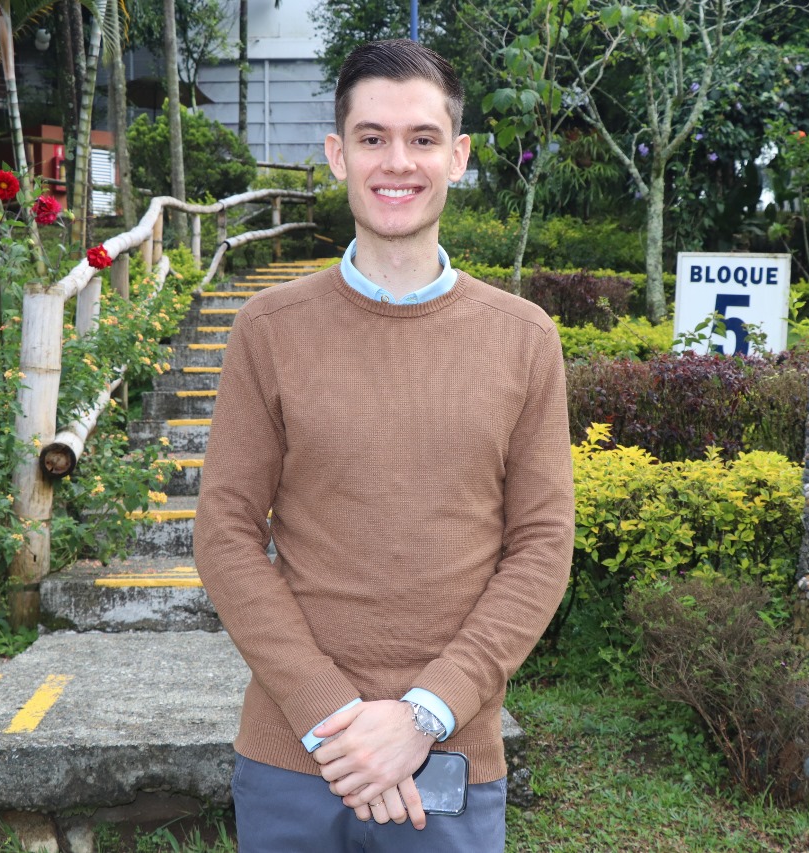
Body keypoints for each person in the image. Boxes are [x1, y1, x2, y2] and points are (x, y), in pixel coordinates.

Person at [193, 39, 574, 852]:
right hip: (294, 759)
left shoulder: (524, 339)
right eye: (372, 138)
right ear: (338, 154)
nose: (397, 162)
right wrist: (331, 712)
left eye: (421, 138)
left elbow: (542, 546)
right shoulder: (269, 330)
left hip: (451, 756)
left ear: (458, 157)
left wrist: (423, 714)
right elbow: (224, 533)